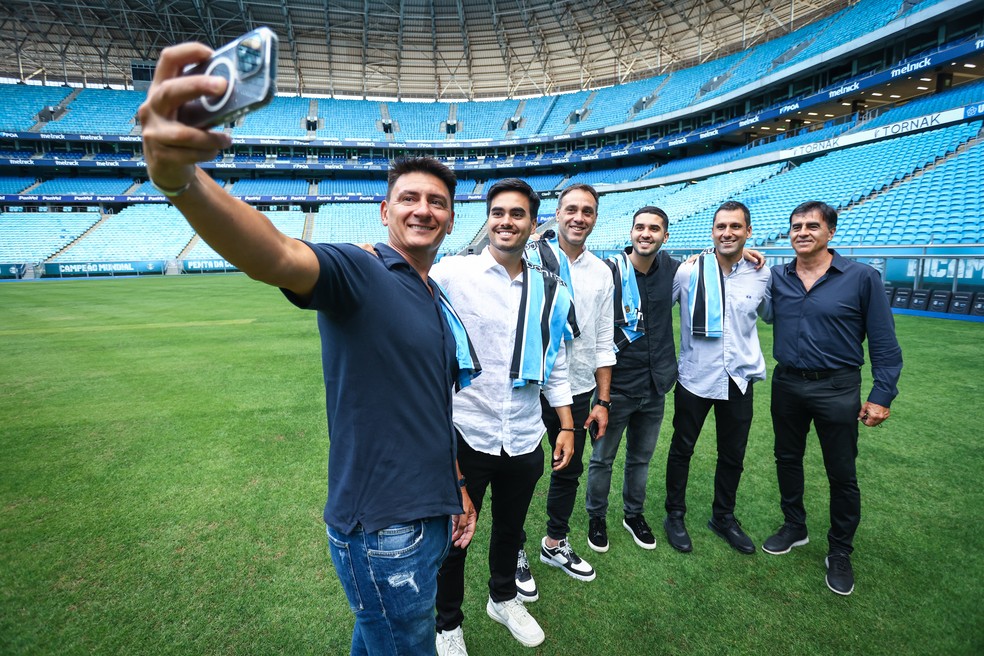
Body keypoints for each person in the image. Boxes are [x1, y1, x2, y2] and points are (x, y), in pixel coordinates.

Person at [138, 43, 477, 656]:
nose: (423, 209)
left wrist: (454, 485)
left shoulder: (433, 293)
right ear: (383, 211)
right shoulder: (361, 271)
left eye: (437, 202)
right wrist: (180, 179)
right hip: (382, 529)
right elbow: (275, 253)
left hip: (426, 512)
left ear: (452, 220)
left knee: (377, 643)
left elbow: (430, 408)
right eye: (409, 198)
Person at [430, 179, 575, 653]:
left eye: (517, 214)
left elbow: (554, 366)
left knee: (511, 530)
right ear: (488, 219)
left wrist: (567, 424)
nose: (506, 221)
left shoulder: (550, 289)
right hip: (467, 433)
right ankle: (448, 623)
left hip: (525, 434)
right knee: (456, 537)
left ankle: (503, 598)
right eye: (498, 212)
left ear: (534, 225)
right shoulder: (454, 272)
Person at [760, 200, 902, 596]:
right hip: (787, 382)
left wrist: (882, 393)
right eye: (795, 226)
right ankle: (795, 526)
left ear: (830, 232)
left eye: (811, 226)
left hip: (837, 387)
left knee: (841, 472)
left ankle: (840, 550)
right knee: (786, 458)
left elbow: (885, 343)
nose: (802, 232)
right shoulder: (776, 276)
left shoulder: (861, 277)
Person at [516, 183, 616, 599]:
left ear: (595, 218)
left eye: (587, 211)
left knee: (568, 469)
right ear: (557, 214)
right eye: (571, 209)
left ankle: (554, 542)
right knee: (521, 470)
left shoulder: (602, 271)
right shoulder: (528, 258)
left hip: (577, 389)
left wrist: (603, 399)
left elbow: (604, 337)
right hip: (529, 382)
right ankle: (514, 549)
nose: (578, 217)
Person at [662, 201, 771, 555]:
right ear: (712, 232)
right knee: (682, 449)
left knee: (733, 455)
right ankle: (674, 515)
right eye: (721, 226)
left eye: (736, 227)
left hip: (739, 379)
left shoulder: (762, 274)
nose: (728, 233)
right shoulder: (689, 271)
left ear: (748, 232)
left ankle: (723, 517)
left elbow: (772, 315)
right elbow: (656, 307)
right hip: (695, 377)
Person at [584, 206, 680, 553]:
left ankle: (633, 514)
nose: (646, 233)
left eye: (654, 229)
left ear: (665, 236)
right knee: (602, 459)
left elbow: (719, 260)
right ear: (631, 232)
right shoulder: (609, 272)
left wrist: (747, 252)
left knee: (641, 458)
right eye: (640, 227)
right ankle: (596, 516)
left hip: (656, 385)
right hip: (617, 385)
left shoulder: (674, 269)